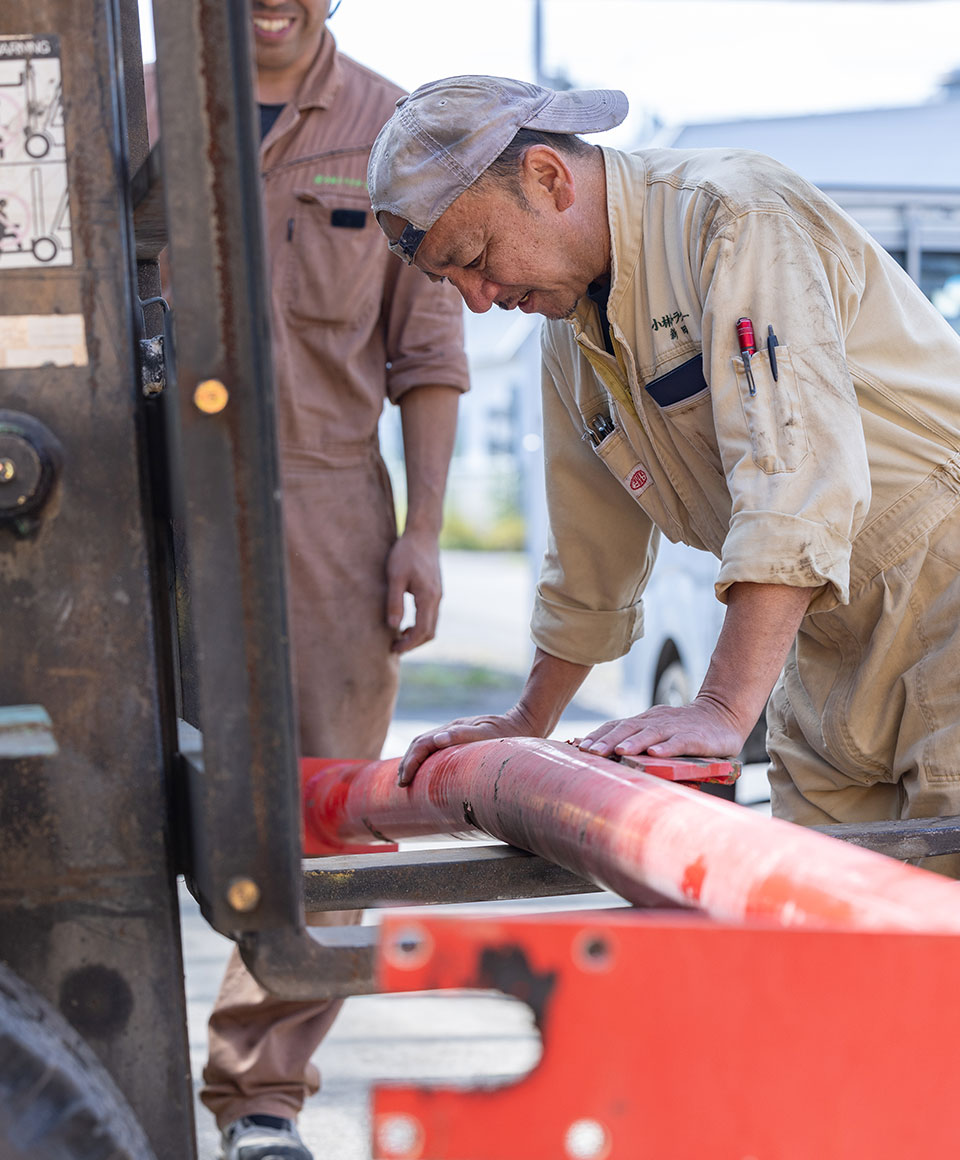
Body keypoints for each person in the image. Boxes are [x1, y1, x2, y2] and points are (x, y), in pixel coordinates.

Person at [367, 75, 960, 873]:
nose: (478, 301)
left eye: (476, 258)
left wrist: (721, 706)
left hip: (943, 595)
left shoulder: (731, 215)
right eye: (451, 282)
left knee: (934, 935)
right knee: (810, 936)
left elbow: (797, 471)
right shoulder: (566, 325)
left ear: (548, 177)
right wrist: (528, 717)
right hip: (821, 639)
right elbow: (589, 547)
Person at [197, 15, 470, 1160]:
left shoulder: (387, 125)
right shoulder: (131, 106)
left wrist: (425, 530)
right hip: (141, 492)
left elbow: (430, 348)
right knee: (79, 771)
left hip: (326, 501)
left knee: (326, 809)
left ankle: (261, 1093)